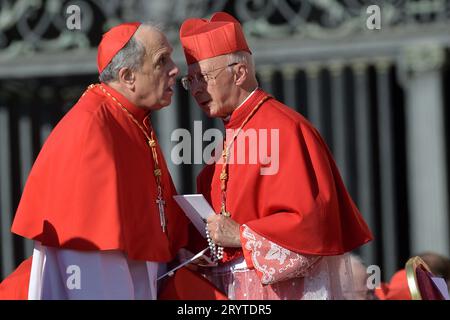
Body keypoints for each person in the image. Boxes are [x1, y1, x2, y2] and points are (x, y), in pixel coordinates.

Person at [177, 12, 373, 300]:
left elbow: (311, 225)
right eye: (189, 80)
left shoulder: (286, 128)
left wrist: (241, 236)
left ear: (239, 72)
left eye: (203, 78)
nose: (196, 90)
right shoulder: (227, 137)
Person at [1, 22, 188, 299]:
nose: (175, 69)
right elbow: (93, 255)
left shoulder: (130, 118)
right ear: (128, 76)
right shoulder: (93, 126)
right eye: (162, 60)